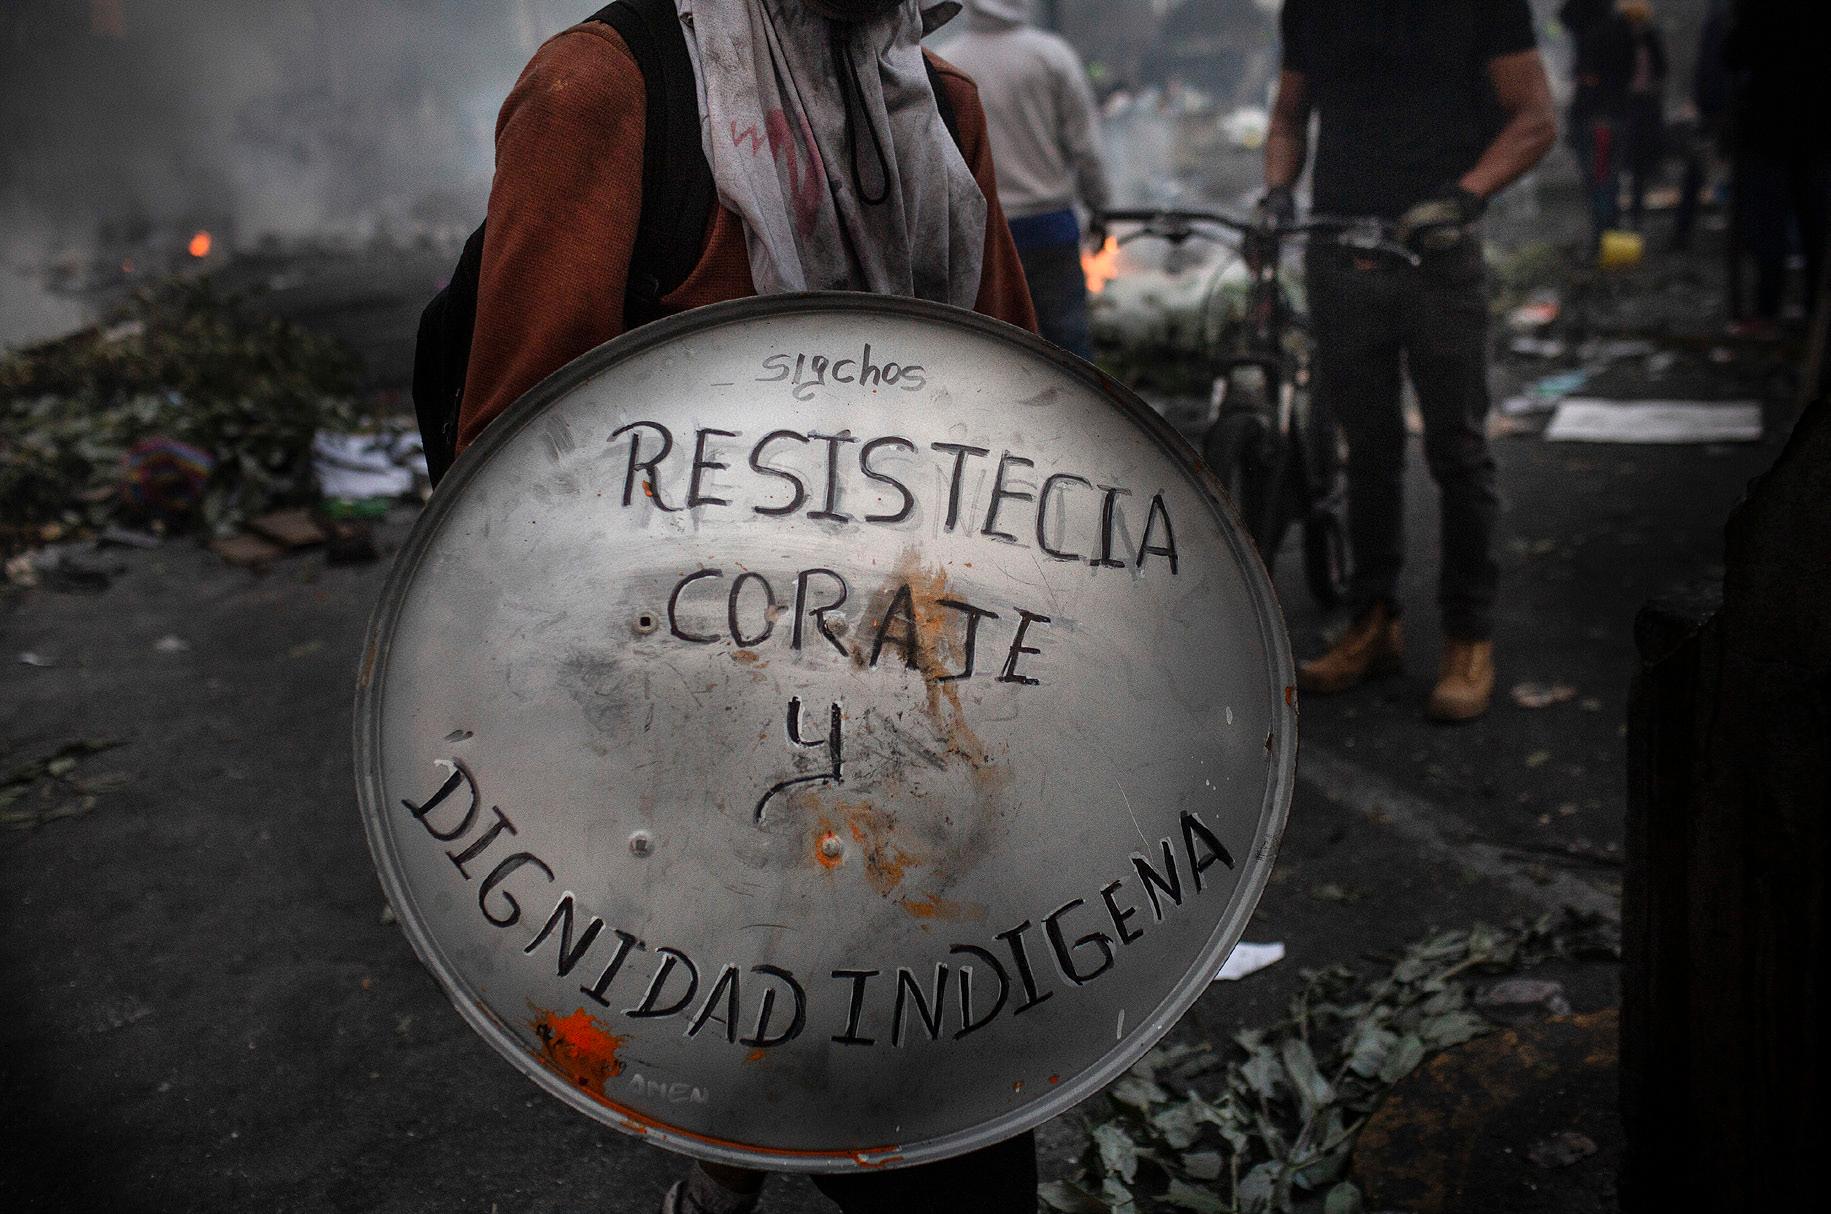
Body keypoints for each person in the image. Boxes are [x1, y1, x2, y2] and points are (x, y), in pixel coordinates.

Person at [460, 2, 1039, 1211]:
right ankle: (743, 1149)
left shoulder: (939, 108)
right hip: (697, 726)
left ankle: (731, 1162)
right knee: (798, 1021)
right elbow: (512, 475)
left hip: (915, 715)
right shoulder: (600, 94)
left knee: (921, 1057)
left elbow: (1018, 421)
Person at [1264, 0, 1556, 722]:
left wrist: (1461, 197)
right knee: (1366, 450)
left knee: (1456, 450)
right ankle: (1374, 622)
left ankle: (1466, 634)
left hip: (1437, 253)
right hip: (1338, 247)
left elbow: (1533, 120)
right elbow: (1286, 119)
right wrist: (1274, 191)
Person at [939, 0, 1110, 360]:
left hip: (980, 234)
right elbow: (1086, 148)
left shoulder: (946, 62)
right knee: (1068, 349)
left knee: (995, 351)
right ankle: (1079, 416)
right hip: (1049, 226)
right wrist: (1101, 208)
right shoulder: (1050, 55)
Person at [1617, 1, 1668, 230]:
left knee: (1640, 166)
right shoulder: (1620, 41)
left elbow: (1661, 69)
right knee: (1625, 163)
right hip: (1629, 106)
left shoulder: (1651, 40)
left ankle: (1636, 214)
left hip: (1646, 106)